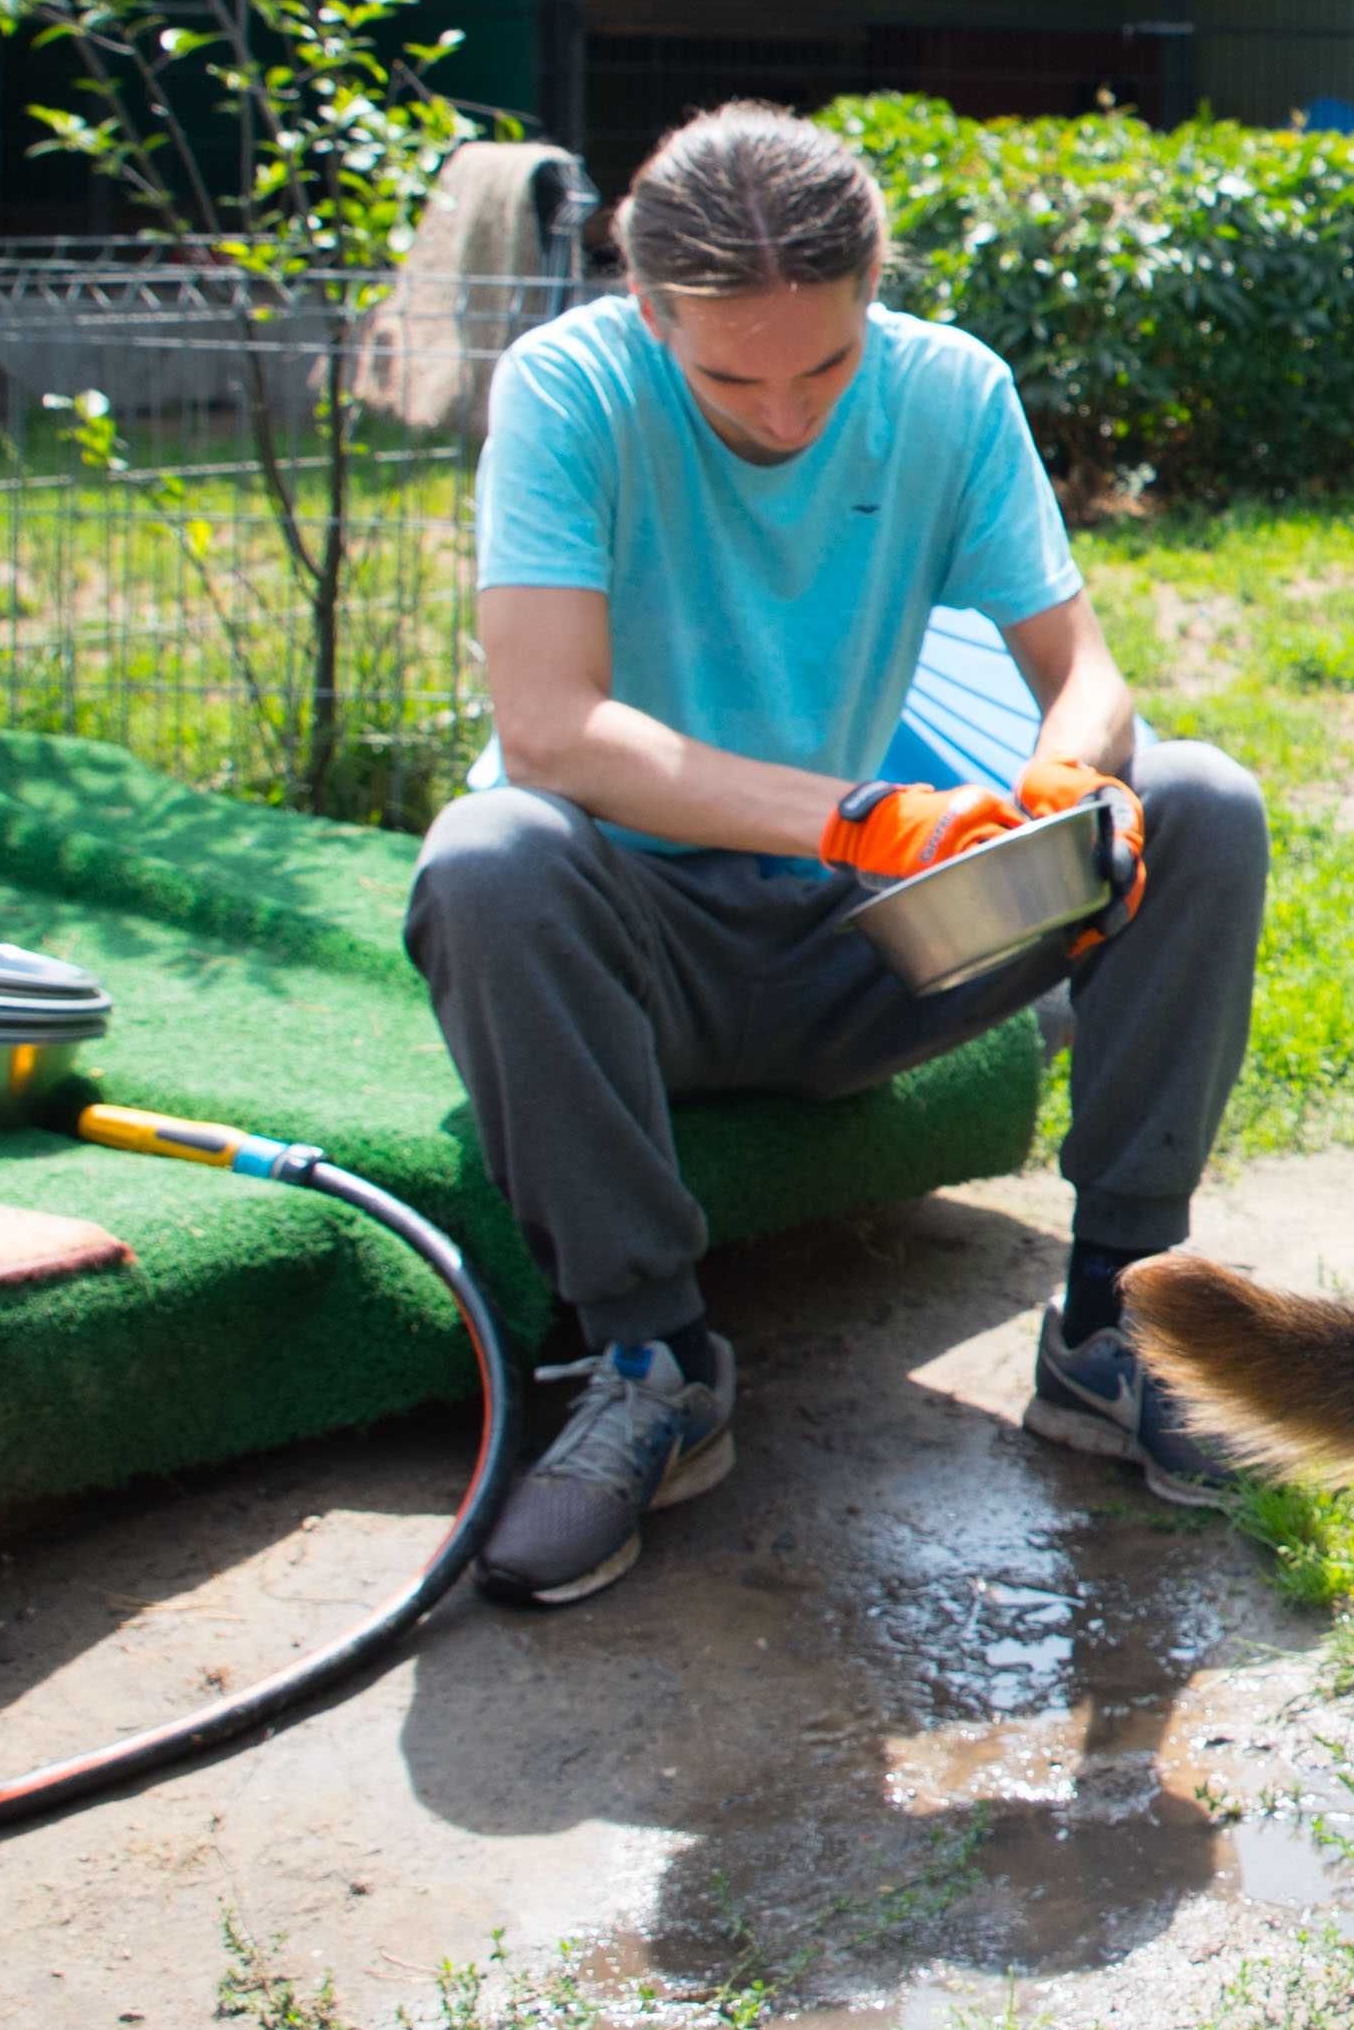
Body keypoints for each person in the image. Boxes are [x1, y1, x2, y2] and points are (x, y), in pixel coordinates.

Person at [406, 102, 1270, 1607]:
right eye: (732, 373)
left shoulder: (948, 389)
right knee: (491, 852)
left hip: (875, 941)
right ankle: (650, 1363)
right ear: (647, 303)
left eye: (827, 362)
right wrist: (857, 813)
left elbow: (1087, 669)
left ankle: (1116, 1327)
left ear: (876, 287)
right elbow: (549, 729)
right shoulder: (568, 392)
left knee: (1198, 800)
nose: (788, 413)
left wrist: (1066, 779)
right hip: (632, 956)